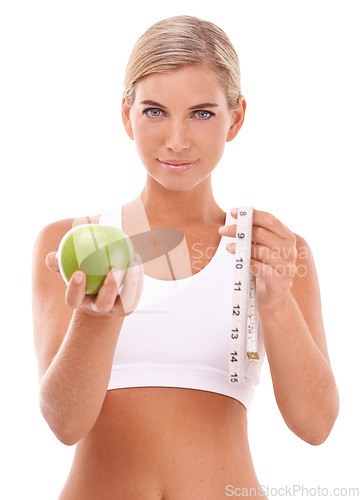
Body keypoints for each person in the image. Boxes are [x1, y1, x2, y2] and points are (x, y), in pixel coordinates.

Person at [32, 15, 339, 500]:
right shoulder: (70, 241)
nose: (176, 139)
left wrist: (277, 303)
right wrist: (97, 321)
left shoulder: (274, 251)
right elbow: (64, 423)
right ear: (126, 115)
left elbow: (316, 426)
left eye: (201, 113)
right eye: (155, 111)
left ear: (235, 117)